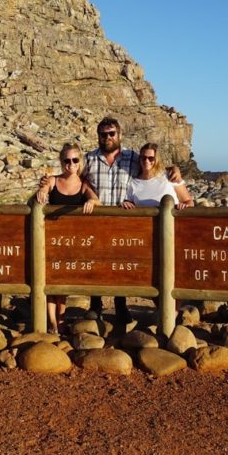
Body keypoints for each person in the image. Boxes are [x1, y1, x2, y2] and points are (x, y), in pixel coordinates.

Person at [39, 116, 181, 323]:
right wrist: (46, 183)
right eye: (103, 134)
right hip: (96, 220)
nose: (108, 138)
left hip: (124, 220)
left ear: (119, 134)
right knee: (96, 262)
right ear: (98, 136)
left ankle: (121, 306)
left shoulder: (133, 158)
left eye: (111, 134)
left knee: (121, 264)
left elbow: (153, 166)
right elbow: (73, 176)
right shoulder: (89, 159)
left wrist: (173, 170)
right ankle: (95, 306)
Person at [34, 143, 99, 333]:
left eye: (75, 160)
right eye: (67, 160)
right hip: (50, 240)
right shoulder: (53, 180)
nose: (71, 164)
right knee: (48, 282)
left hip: (70, 242)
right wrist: (42, 192)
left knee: (62, 285)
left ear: (80, 162)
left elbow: (96, 199)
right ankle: (52, 323)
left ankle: (60, 322)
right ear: (62, 162)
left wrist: (91, 201)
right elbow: (44, 191)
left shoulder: (84, 184)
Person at [121, 143, 193, 210]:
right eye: (143, 157)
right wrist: (126, 203)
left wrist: (185, 206)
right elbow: (129, 203)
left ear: (157, 159)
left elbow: (188, 201)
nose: (146, 161)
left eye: (151, 158)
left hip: (171, 222)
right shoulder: (133, 183)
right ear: (139, 159)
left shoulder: (170, 176)